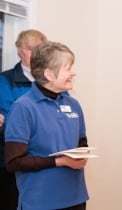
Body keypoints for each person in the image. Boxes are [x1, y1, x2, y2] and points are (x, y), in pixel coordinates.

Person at [4, 41, 89, 210]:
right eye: (68, 68)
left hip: (76, 198)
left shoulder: (74, 104)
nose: (74, 72)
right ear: (49, 74)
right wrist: (60, 162)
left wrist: (82, 155)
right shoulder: (23, 107)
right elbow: (14, 162)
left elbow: (82, 142)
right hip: (41, 202)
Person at [0, 29, 47, 210]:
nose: (37, 54)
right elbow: (11, 118)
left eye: (41, 49)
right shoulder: (5, 80)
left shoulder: (49, 79)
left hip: (43, 161)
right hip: (12, 160)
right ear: (20, 50)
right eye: (32, 49)